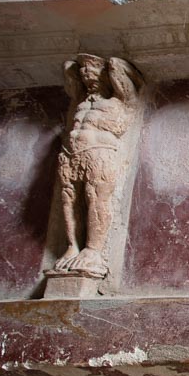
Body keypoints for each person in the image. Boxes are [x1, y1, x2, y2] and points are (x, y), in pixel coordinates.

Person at [52, 54, 141, 278]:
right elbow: (69, 70)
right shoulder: (81, 102)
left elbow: (120, 70)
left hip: (100, 153)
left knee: (96, 198)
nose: (86, 75)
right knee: (69, 198)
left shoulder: (120, 102)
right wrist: (78, 67)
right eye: (83, 72)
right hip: (72, 155)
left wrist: (111, 65)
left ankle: (93, 250)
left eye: (92, 72)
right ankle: (73, 246)